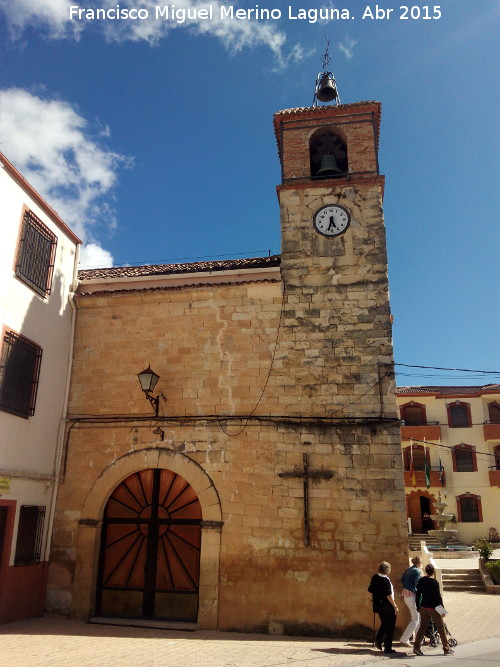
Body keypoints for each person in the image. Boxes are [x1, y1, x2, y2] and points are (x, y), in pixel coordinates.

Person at [413, 564, 454, 656]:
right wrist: (442, 610)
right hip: (433, 608)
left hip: (423, 607)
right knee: (441, 628)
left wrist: (418, 606)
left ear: (425, 571)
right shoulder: (434, 583)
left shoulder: (421, 580)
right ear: (433, 572)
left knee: (422, 628)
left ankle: (416, 647)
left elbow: (418, 593)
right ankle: (446, 648)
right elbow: (438, 598)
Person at [368, 561, 399, 654]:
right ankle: (387, 647)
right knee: (390, 627)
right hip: (387, 606)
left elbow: (370, 590)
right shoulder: (385, 580)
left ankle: (378, 640)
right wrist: (395, 606)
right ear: (387, 570)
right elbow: (388, 595)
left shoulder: (375, 577)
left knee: (384, 624)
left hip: (378, 605)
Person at [399, 556, 422, 646]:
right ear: (419, 563)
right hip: (412, 595)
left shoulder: (408, 570)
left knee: (417, 617)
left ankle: (419, 639)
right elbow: (418, 583)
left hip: (406, 594)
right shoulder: (416, 571)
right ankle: (404, 638)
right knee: (416, 619)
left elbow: (402, 580)